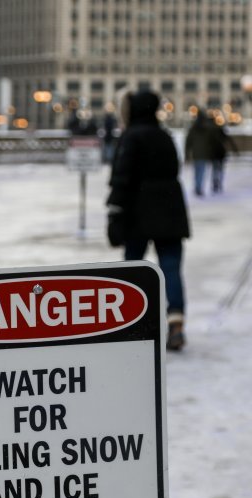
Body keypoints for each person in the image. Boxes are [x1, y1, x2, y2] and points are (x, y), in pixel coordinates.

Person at [107, 90, 191, 351]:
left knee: (133, 268)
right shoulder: (164, 135)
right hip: (169, 208)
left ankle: (132, 322)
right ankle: (175, 320)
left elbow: (122, 176)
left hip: (137, 210)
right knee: (171, 266)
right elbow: (174, 169)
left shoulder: (131, 137)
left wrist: (115, 210)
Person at [185, 109, 238, 196]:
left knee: (198, 170)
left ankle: (198, 187)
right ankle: (208, 185)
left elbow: (188, 142)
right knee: (207, 170)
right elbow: (216, 140)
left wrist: (187, 154)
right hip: (209, 153)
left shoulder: (194, 129)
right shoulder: (209, 128)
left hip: (198, 153)